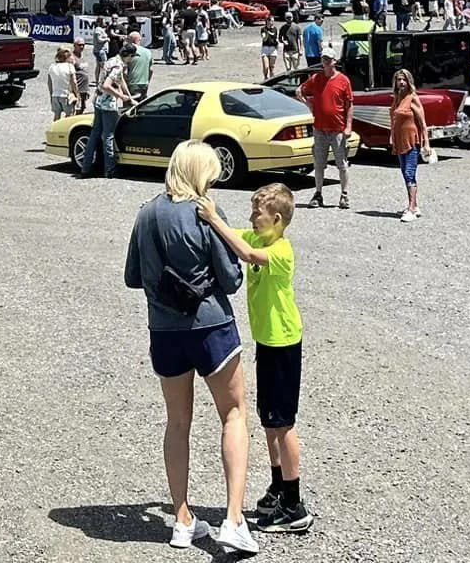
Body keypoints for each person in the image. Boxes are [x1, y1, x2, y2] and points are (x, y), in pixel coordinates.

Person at [124, 142, 256, 554]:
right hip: (212, 326)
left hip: (164, 331)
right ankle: (233, 519)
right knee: (232, 414)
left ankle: (181, 519)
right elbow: (232, 279)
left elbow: (132, 276)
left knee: (177, 422)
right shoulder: (205, 212)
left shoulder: (146, 213)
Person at [198, 183, 314, 535]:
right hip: (267, 341)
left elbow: (245, 254)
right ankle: (278, 485)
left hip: (283, 343)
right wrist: (207, 216)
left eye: (257, 214)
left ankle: (294, 504)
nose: (251, 218)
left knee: (283, 423)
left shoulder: (280, 250)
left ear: (276, 219)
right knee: (269, 421)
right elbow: (236, 236)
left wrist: (214, 217)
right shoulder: (260, 237)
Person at [301, 52, 352, 211]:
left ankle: (344, 194)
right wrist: (309, 104)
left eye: (328, 59)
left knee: (341, 164)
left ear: (334, 61)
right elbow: (300, 90)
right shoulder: (316, 78)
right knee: (319, 163)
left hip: (337, 129)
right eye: (323, 58)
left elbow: (349, 105)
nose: (325, 61)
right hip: (319, 128)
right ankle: (318, 193)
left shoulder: (343, 80)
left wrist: (348, 126)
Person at [390, 68, 430, 223]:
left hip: (412, 141)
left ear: (409, 81)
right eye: (399, 79)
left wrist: (426, 143)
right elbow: (393, 119)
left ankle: (411, 208)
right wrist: (391, 136)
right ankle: (415, 204)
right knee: (405, 173)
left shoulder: (412, 98)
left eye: (404, 80)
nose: (401, 82)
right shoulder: (396, 98)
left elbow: (422, 122)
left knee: (409, 173)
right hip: (399, 141)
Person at [86, 46, 132, 179]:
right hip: (108, 104)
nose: (132, 59)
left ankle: (86, 167)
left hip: (98, 101)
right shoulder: (118, 67)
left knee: (94, 134)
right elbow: (107, 85)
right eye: (132, 56)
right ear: (128, 55)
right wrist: (121, 96)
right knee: (108, 136)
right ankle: (110, 169)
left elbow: (121, 80)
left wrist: (129, 95)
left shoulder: (112, 61)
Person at [47, 46, 78, 120]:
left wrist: (51, 94)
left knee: (56, 116)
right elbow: (74, 82)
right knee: (69, 116)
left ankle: (55, 130)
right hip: (66, 95)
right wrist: (77, 94)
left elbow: (49, 83)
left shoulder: (52, 67)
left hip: (55, 95)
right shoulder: (70, 67)